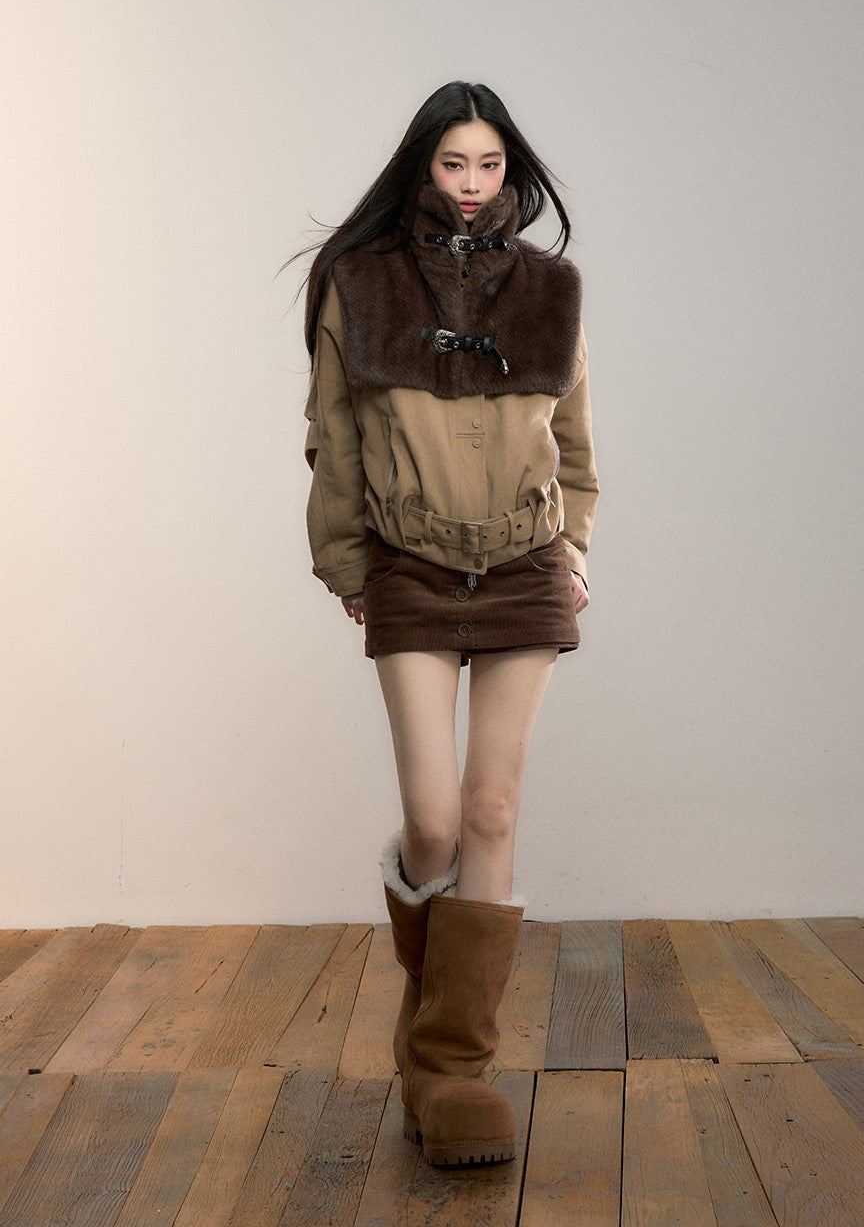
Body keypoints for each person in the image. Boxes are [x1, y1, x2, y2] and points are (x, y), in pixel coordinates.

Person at [299, 81, 599, 1166]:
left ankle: (454, 1067)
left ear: (510, 171)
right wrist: (347, 562)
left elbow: (575, 438)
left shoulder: (551, 289)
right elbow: (333, 436)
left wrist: (574, 546)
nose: (472, 184)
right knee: (431, 822)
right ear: (422, 168)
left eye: (489, 165)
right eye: (452, 163)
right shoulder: (362, 284)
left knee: (492, 807)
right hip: (411, 565)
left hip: (523, 565)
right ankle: (431, 1037)